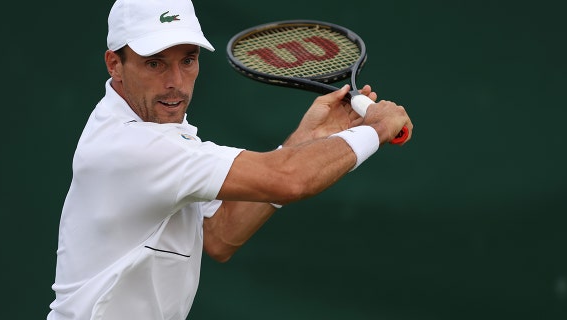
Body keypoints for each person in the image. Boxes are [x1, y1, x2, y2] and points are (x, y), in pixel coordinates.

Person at [47, 0, 413, 319]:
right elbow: (289, 179)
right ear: (115, 64)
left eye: (187, 61)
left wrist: (307, 140)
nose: (176, 81)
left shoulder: (162, 130)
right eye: (155, 64)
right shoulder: (131, 146)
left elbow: (219, 234)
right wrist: (374, 131)